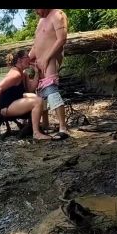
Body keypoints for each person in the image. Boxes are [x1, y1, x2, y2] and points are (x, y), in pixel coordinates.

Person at [0, 50, 51, 140]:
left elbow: (30, 89)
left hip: (14, 101)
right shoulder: (15, 74)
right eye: (27, 57)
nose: (29, 59)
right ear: (19, 60)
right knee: (38, 101)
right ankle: (36, 133)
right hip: (6, 107)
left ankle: (43, 125)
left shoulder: (23, 73)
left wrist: (37, 72)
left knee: (37, 97)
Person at [29, 9, 69, 140]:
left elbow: (62, 39)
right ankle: (45, 124)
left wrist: (47, 58)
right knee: (40, 95)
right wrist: (28, 59)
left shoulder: (58, 15)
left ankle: (63, 128)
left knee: (51, 91)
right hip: (38, 62)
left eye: (37, 9)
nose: (36, 12)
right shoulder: (41, 20)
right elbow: (36, 44)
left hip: (51, 60)